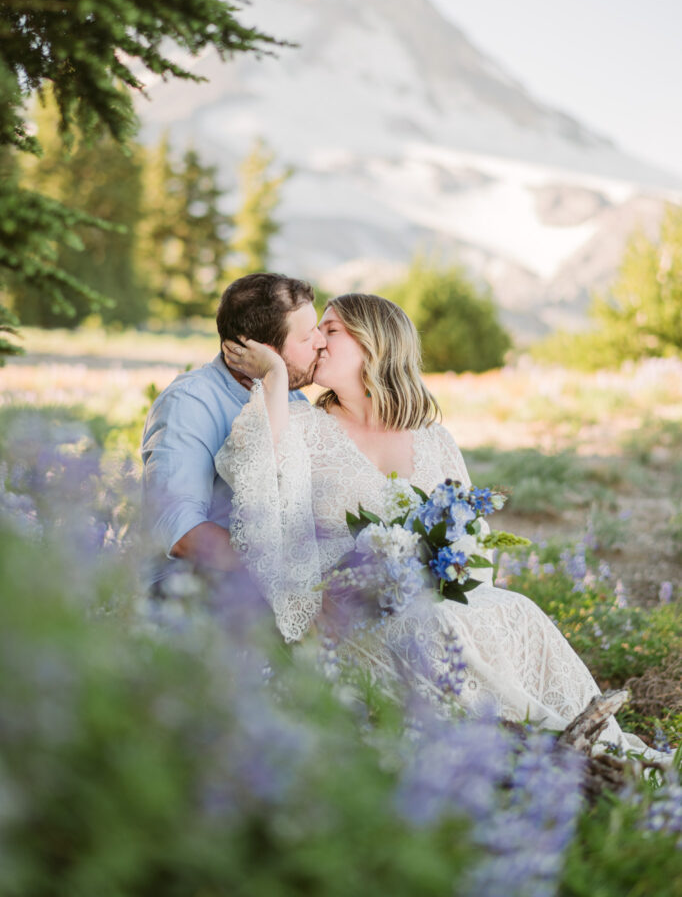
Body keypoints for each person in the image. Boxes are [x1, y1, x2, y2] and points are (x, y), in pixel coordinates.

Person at [215, 292, 664, 756]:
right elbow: (252, 473)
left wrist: (443, 570)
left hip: (435, 601)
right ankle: (529, 751)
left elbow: (471, 536)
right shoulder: (304, 426)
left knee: (518, 610)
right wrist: (275, 376)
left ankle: (597, 745)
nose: (317, 342)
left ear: (375, 343)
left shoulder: (433, 439)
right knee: (437, 624)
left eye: (330, 330)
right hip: (348, 615)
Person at [141, 272, 326, 577]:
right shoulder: (190, 402)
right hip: (192, 599)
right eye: (307, 336)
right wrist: (286, 579)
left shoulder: (292, 400)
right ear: (262, 351)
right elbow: (179, 528)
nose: (321, 342)